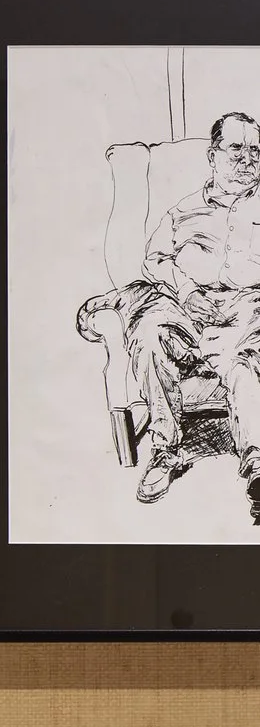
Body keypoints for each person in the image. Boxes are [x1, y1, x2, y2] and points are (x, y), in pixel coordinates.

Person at [114, 109, 260, 517]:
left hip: (248, 309)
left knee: (244, 357)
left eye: (256, 151)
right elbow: (154, 258)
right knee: (147, 335)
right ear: (213, 155)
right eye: (236, 148)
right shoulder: (184, 210)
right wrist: (186, 289)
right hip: (184, 305)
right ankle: (166, 450)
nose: (247, 158)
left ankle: (258, 467)